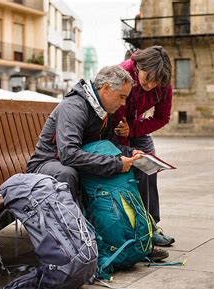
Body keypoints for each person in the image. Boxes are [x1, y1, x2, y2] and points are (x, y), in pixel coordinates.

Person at [26, 65, 170, 261]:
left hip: (75, 161)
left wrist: (131, 153)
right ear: (106, 89)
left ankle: (136, 238)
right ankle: (77, 245)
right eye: (122, 96)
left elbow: (109, 143)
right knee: (67, 173)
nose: (123, 103)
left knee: (138, 170)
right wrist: (117, 164)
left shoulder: (102, 109)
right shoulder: (74, 106)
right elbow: (68, 154)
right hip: (47, 164)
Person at [112, 46, 175, 247]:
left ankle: (151, 224)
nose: (150, 85)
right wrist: (120, 128)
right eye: (148, 78)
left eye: (156, 81)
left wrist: (132, 130)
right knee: (131, 166)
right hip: (112, 126)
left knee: (149, 165)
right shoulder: (121, 72)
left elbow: (162, 117)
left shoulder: (163, 84)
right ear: (139, 66)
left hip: (136, 126)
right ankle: (131, 224)